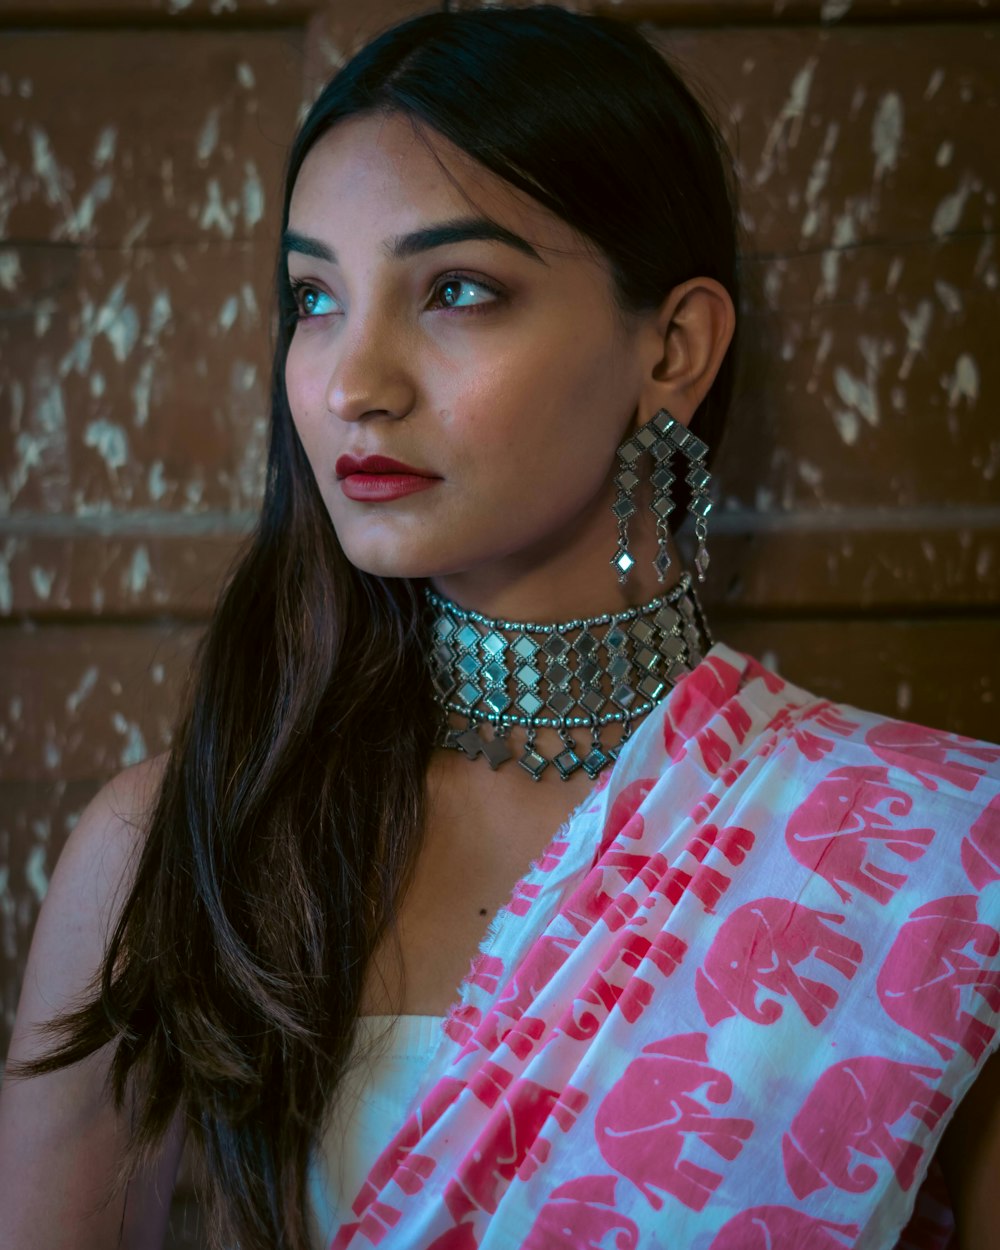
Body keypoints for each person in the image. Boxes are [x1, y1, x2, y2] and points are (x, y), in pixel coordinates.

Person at [1, 5, 998, 1248]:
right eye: (313, 297)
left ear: (673, 347)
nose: (353, 380)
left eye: (456, 289)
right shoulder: (181, 842)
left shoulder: (943, 857)